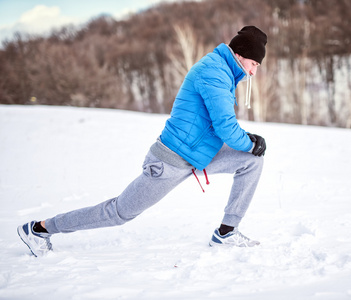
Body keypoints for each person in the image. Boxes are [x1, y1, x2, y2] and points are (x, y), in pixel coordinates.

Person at [17, 25, 268, 257]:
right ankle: (40, 229)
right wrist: (249, 142)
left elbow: (217, 122)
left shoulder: (224, 71)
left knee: (251, 161)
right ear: (239, 53)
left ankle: (226, 232)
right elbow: (225, 126)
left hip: (198, 153)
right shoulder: (215, 73)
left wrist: (249, 144)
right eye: (254, 63)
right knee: (118, 213)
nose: (254, 71)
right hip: (170, 161)